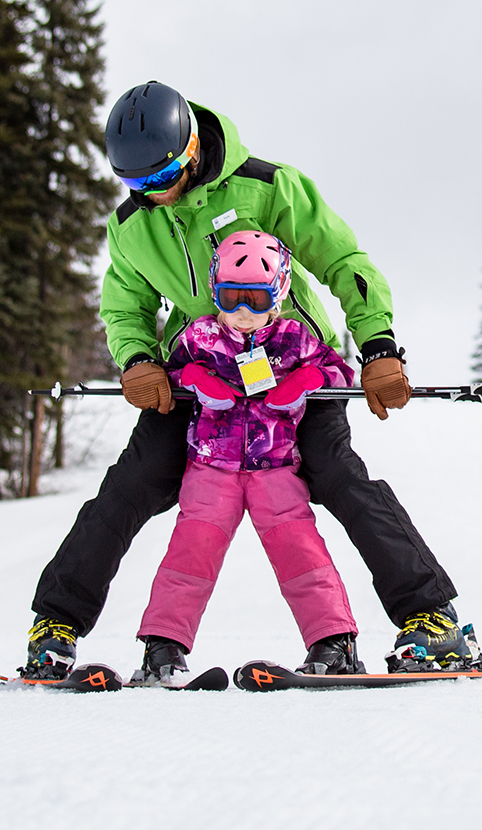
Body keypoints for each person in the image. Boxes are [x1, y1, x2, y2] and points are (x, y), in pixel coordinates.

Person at [21, 81, 479, 678]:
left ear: (190, 149)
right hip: (200, 371)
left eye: (160, 178)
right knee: (131, 483)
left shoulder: (268, 187)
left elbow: (345, 261)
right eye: (136, 184)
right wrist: (137, 360)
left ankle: (433, 619)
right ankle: (54, 626)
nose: (152, 195)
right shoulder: (133, 224)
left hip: (295, 368)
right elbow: (124, 305)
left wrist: (377, 345)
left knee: (338, 474)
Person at [135, 231, 363, 683]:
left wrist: (308, 380)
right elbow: (171, 370)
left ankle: (333, 643)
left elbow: (340, 372)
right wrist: (195, 377)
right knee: (189, 555)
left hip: (276, 470)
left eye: (255, 299)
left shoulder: (295, 338)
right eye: (229, 296)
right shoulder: (200, 335)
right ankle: (163, 649)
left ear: (278, 293)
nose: (242, 311)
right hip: (210, 470)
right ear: (214, 289)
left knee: (300, 552)